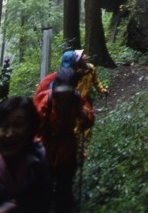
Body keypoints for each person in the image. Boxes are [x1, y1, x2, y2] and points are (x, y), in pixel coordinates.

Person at [34, 67, 94, 213]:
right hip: (47, 147)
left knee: (65, 185)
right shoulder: (45, 100)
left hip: (68, 147)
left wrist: (85, 116)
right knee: (44, 186)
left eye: (67, 92)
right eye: (61, 92)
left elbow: (89, 118)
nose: (64, 96)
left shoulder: (77, 99)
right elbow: (34, 126)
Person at [0, 95, 52, 213]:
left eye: (18, 125)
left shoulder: (39, 165)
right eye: (4, 126)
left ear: (31, 129)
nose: (10, 134)